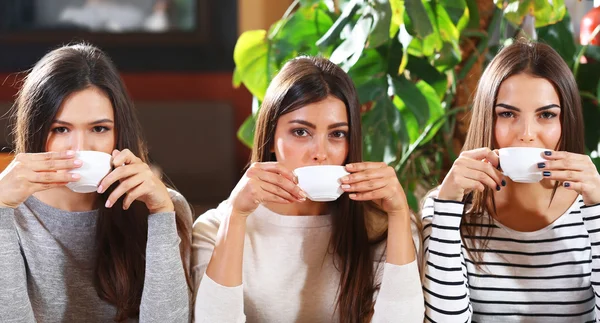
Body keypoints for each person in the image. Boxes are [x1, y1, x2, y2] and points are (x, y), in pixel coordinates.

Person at [192, 56, 424, 323]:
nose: (321, 153)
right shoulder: (215, 228)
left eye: (337, 134)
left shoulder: (382, 225)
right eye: (301, 132)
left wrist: (398, 214)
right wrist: (235, 215)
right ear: (270, 138)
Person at [0, 43, 192, 322]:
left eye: (99, 128)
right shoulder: (8, 210)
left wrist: (161, 213)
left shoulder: (164, 207)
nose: (80, 147)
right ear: (36, 132)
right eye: (61, 129)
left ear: (119, 134)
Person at [422, 39, 600, 322]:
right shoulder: (447, 207)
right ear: (486, 120)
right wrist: (446, 205)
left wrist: (598, 209)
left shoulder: (593, 206)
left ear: (567, 122)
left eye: (546, 115)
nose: (527, 133)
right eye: (507, 114)